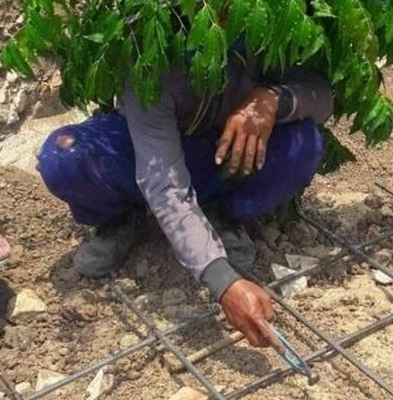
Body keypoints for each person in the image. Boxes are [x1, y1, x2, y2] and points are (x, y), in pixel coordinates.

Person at [36, 50, 332, 347]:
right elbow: (164, 182)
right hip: (147, 152)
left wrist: (273, 99)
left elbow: (323, 98)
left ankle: (222, 213)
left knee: (302, 143)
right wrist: (222, 281)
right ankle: (122, 218)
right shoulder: (154, 51)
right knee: (66, 156)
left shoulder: (266, 32)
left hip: (221, 153)